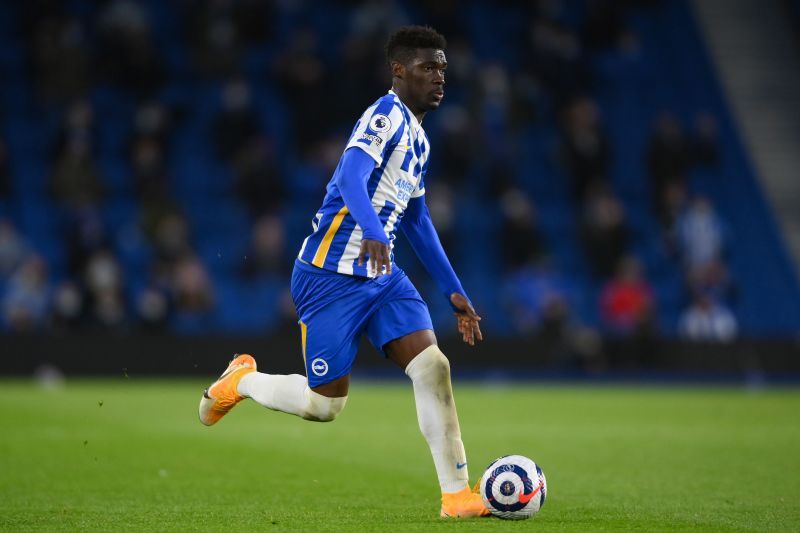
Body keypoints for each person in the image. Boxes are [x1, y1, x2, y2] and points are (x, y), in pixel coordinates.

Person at [198, 26, 489, 518]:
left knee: (432, 366)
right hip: (329, 276)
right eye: (427, 67)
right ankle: (242, 380)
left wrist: (454, 292)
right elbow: (350, 174)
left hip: (382, 276)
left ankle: (457, 496)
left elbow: (417, 220)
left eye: (443, 68)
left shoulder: (418, 139)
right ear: (398, 71)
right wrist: (374, 229)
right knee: (324, 406)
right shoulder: (384, 116)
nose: (439, 77)